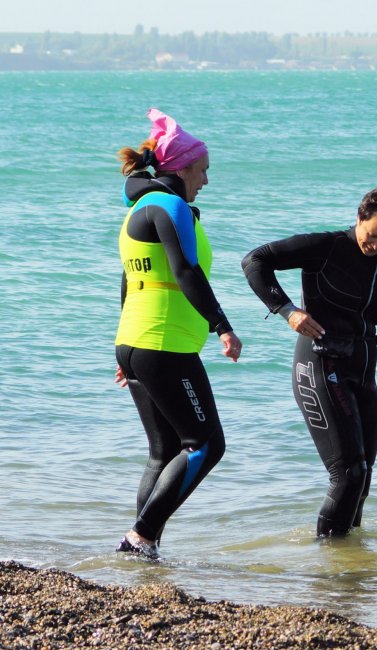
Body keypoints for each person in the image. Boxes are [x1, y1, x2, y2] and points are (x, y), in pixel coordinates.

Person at [242, 185, 377, 537]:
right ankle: (330, 573)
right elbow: (255, 260)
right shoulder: (325, 248)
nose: (376, 246)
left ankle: (348, 574)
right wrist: (287, 311)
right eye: (372, 236)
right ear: (360, 216)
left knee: (361, 482)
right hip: (320, 366)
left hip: (363, 377)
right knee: (349, 473)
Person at [114, 108, 243, 559]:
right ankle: (140, 538)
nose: (206, 180)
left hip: (135, 341)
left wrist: (123, 351)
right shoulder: (170, 206)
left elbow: (129, 280)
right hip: (163, 344)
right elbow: (185, 272)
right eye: (203, 170)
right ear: (183, 167)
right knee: (206, 444)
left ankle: (145, 544)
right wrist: (223, 326)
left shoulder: (138, 209)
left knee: (163, 448)